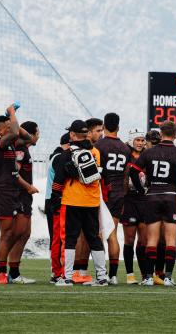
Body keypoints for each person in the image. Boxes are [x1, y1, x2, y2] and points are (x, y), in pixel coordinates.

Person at [128, 120, 176, 287]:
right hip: (171, 196)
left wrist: (141, 190)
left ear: (160, 134)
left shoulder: (149, 153)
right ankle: (167, 277)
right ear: (175, 135)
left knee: (151, 239)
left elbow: (133, 171)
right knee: (170, 240)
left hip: (152, 195)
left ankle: (147, 277)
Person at [0, 104, 39, 285]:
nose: (11, 128)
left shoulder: (10, 144)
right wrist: (12, 112)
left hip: (12, 194)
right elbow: (13, 134)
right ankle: (2, 273)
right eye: (6, 126)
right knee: (7, 234)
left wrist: (13, 121)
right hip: (3, 193)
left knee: (13, 233)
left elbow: (29, 138)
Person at [51, 119, 108, 287]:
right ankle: (102, 277)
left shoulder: (67, 153)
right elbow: (101, 175)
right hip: (91, 202)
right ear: (87, 134)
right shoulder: (96, 152)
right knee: (94, 239)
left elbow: (58, 180)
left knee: (70, 239)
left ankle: (67, 277)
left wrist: (55, 198)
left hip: (72, 202)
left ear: (72, 135)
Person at [94, 113, 129, 285]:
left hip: (103, 192)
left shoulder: (99, 145)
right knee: (113, 234)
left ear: (105, 126)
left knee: (100, 233)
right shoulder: (125, 148)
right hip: (118, 193)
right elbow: (125, 175)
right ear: (118, 127)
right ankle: (114, 275)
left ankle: (102, 273)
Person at [71, 117, 104, 284]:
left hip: (86, 199)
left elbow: (89, 177)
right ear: (88, 132)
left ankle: (78, 272)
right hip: (84, 200)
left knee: (82, 237)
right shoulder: (91, 151)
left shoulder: (91, 151)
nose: (101, 134)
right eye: (98, 131)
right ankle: (77, 272)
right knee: (81, 237)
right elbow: (90, 177)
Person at [7, 120, 40, 284]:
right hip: (20, 196)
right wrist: (28, 187)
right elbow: (15, 172)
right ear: (31, 135)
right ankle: (6, 270)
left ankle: (12, 271)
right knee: (17, 234)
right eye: (37, 133)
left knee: (25, 234)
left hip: (25, 197)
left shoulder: (24, 149)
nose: (38, 136)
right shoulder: (20, 150)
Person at [121, 129, 147, 284]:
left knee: (143, 240)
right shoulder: (126, 156)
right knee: (129, 239)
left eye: (142, 140)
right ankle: (130, 274)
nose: (140, 143)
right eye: (137, 140)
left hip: (143, 200)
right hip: (129, 199)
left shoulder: (147, 155)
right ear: (131, 141)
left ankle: (145, 274)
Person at [46, 132, 69, 283]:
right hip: (56, 200)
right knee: (58, 239)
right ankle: (57, 272)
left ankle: (57, 271)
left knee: (57, 238)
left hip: (52, 199)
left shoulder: (56, 156)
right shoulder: (60, 158)